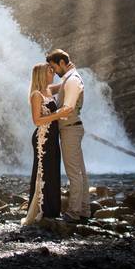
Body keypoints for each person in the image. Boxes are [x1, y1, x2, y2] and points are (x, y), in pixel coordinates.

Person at [46, 48, 89, 222]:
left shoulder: (72, 80)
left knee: (74, 173)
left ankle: (73, 212)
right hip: (71, 128)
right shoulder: (68, 79)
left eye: (54, 67)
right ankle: (84, 210)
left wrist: (46, 118)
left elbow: (68, 108)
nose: (54, 71)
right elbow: (50, 89)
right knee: (80, 172)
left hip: (70, 128)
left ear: (62, 63)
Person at [21, 62, 66, 225]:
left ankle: (52, 210)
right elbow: (36, 120)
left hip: (53, 137)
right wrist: (58, 114)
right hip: (43, 137)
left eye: (53, 71)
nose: (53, 73)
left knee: (53, 171)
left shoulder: (49, 90)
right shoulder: (36, 95)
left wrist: (69, 71)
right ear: (41, 74)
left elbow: (64, 84)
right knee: (44, 172)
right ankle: (42, 210)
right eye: (50, 71)